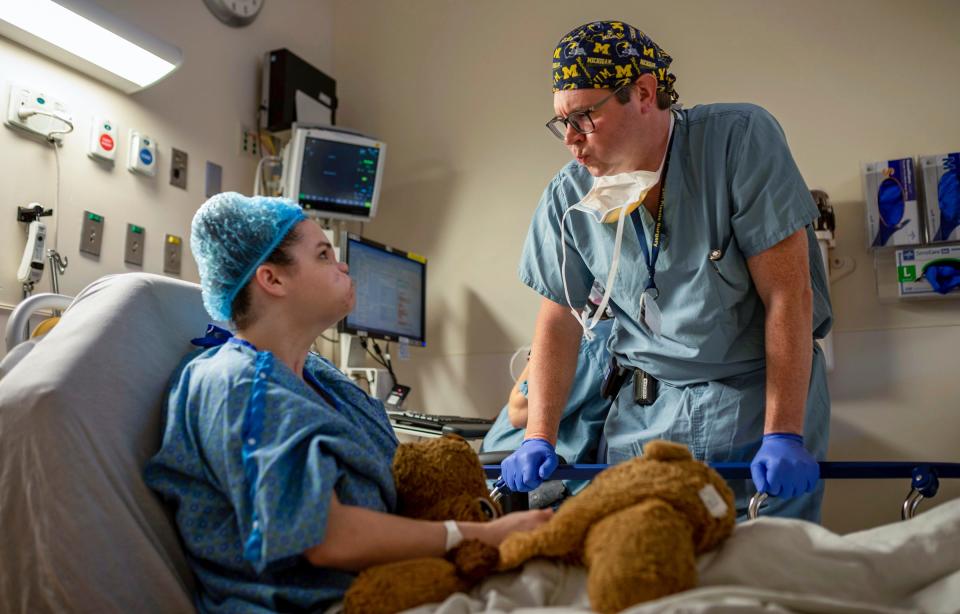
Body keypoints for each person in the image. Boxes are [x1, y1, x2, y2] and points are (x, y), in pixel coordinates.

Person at [144, 192, 551, 613]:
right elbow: (325, 538)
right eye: (323, 255)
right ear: (273, 280)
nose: (342, 265)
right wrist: (479, 534)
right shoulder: (234, 383)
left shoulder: (321, 377)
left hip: (412, 580)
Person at [501, 20, 832, 521]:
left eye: (585, 117)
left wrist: (782, 433)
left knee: (765, 578)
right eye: (561, 122)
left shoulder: (737, 142)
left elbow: (789, 295)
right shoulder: (568, 197)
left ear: (643, 92)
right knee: (641, 567)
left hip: (755, 410)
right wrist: (537, 437)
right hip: (646, 420)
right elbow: (558, 321)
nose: (570, 139)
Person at [482, 290, 614, 495]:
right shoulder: (602, 339)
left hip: (516, 481)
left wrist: (542, 348)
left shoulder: (590, 339)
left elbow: (519, 412)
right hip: (508, 470)